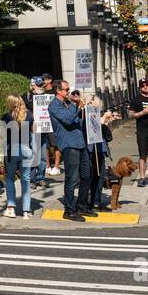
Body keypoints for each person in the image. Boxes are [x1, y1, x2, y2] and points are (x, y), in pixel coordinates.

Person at [48, 80, 94, 220]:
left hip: (80, 142)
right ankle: (69, 210)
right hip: (69, 145)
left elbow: (77, 118)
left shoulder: (69, 103)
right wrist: (78, 107)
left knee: (87, 175)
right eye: (66, 90)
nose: (69, 92)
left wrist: (85, 106)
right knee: (72, 178)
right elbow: (67, 119)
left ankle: (81, 204)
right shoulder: (54, 105)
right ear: (58, 91)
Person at [1, 94, 34, 218]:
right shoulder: (29, 115)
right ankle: (26, 210)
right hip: (26, 149)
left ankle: (11, 208)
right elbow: (33, 131)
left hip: (12, 149)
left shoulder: (6, 117)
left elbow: (3, 135)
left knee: (10, 178)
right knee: (26, 180)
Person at [41, 74, 62, 176]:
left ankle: (57, 166)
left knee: (56, 144)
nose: (42, 82)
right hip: (44, 122)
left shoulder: (55, 92)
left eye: (44, 79)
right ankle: (47, 166)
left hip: (54, 122)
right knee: (46, 145)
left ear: (49, 80)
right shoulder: (41, 93)